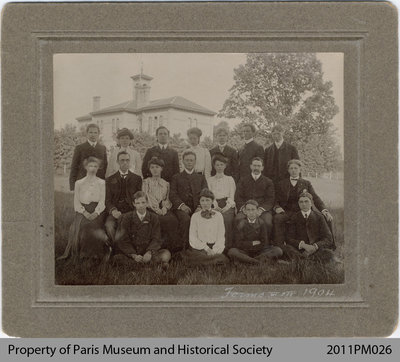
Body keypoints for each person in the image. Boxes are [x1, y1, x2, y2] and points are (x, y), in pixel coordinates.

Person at [273, 159, 334, 245]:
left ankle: (329, 245)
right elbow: (275, 200)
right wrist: (277, 207)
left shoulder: (306, 183)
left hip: (302, 211)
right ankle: (279, 246)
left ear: (300, 169)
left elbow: (315, 198)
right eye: (291, 168)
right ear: (288, 170)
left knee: (325, 217)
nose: (293, 170)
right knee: (277, 218)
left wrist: (324, 210)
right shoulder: (281, 184)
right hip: (286, 211)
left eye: (296, 168)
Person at [59, 157, 109, 260]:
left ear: (98, 168)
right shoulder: (79, 183)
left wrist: (96, 212)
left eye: (95, 166)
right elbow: (76, 202)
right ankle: (84, 255)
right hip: (82, 211)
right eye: (90, 166)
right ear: (86, 167)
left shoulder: (102, 183)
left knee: (94, 228)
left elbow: (102, 201)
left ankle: (96, 255)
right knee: (84, 227)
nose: (93, 168)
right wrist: (84, 212)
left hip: (97, 211)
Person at [114, 191, 171, 267]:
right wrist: (134, 255)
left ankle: (140, 265)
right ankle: (149, 265)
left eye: (143, 202)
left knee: (166, 254)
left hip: (148, 252)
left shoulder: (153, 217)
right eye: (138, 203)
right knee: (117, 258)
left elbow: (156, 238)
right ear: (134, 204)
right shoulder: (127, 218)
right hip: (133, 252)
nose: (141, 206)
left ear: (147, 203)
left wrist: (149, 252)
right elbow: (123, 239)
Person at [169, 150, 208, 249]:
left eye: (191, 160)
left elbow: (205, 194)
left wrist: (200, 206)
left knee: (202, 219)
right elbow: (173, 194)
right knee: (186, 220)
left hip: (198, 207)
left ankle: (200, 247)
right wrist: (182, 206)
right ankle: (185, 248)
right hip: (181, 208)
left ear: (195, 162)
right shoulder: (176, 177)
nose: (189, 162)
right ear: (183, 161)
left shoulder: (201, 177)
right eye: (187, 160)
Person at [283, 192, 335, 262]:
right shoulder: (294, 217)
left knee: (329, 253)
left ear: (311, 203)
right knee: (286, 249)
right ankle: (306, 259)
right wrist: (303, 245)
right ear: (298, 204)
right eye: (301, 202)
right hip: (300, 249)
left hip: (316, 250)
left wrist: (315, 246)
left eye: (306, 201)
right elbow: (289, 238)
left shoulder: (319, 217)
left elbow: (328, 238)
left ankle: (302, 260)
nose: (303, 204)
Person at [105, 151, 142, 247]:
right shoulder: (109, 179)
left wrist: (135, 211)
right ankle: (116, 248)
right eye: (122, 160)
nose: (125, 162)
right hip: (116, 210)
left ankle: (129, 249)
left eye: (127, 160)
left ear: (130, 162)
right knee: (109, 225)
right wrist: (113, 211)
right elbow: (107, 200)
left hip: (131, 210)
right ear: (117, 162)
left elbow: (139, 198)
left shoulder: (137, 179)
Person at [182, 189, 229, 266]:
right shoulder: (195, 216)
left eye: (207, 200)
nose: (205, 203)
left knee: (221, 258)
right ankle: (210, 262)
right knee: (197, 256)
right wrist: (206, 249)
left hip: (214, 247)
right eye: (202, 200)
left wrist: (214, 250)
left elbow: (221, 236)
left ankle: (207, 261)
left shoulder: (218, 215)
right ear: (199, 202)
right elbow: (193, 237)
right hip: (200, 248)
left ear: (212, 201)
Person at [142, 156, 180, 252]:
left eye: (157, 167)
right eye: (152, 167)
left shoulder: (166, 183)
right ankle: (155, 249)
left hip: (163, 208)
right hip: (150, 208)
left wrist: (164, 208)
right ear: (149, 169)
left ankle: (171, 249)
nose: (155, 169)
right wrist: (156, 209)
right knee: (157, 220)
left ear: (161, 168)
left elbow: (167, 198)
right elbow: (147, 197)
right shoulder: (146, 182)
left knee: (172, 220)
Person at [235, 157, 275, 239]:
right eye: (254, 165)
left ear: (262, 168)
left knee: (267, 222)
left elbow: (270, 199)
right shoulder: (243, 180)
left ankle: (265, 244)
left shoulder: (268, 182)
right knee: (238, 219)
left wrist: (260, 209)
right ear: (251, 166)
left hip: (262, 209)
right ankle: (241, 244)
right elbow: (238, 196)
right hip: (246, 209)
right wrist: (244, 209)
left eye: (259, 166)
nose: (256, 168)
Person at [207, 153, 236, 249]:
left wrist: (227, 207)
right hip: (214, 204)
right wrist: (215, 205)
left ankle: (227, 248)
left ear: (225, 166)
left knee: (227, 220)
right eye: (217, 165)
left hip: (227, 204)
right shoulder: (210, 180)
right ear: (214, 166)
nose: (219, 167)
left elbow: (232, 196)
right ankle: (214, 247)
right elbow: (209, 196)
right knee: (213, 219)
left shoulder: (230, 179)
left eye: (221, 165)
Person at [69, 124, 108, 191]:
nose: (93, 135)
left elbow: (105, 167)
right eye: (91, 132)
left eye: (95, 132)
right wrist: (73, 187)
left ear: (98, 134)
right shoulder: (80, 148)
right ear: (87, 133)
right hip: (83, 183)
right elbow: (74, 167)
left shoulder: (102, 148)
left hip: (98, 184)